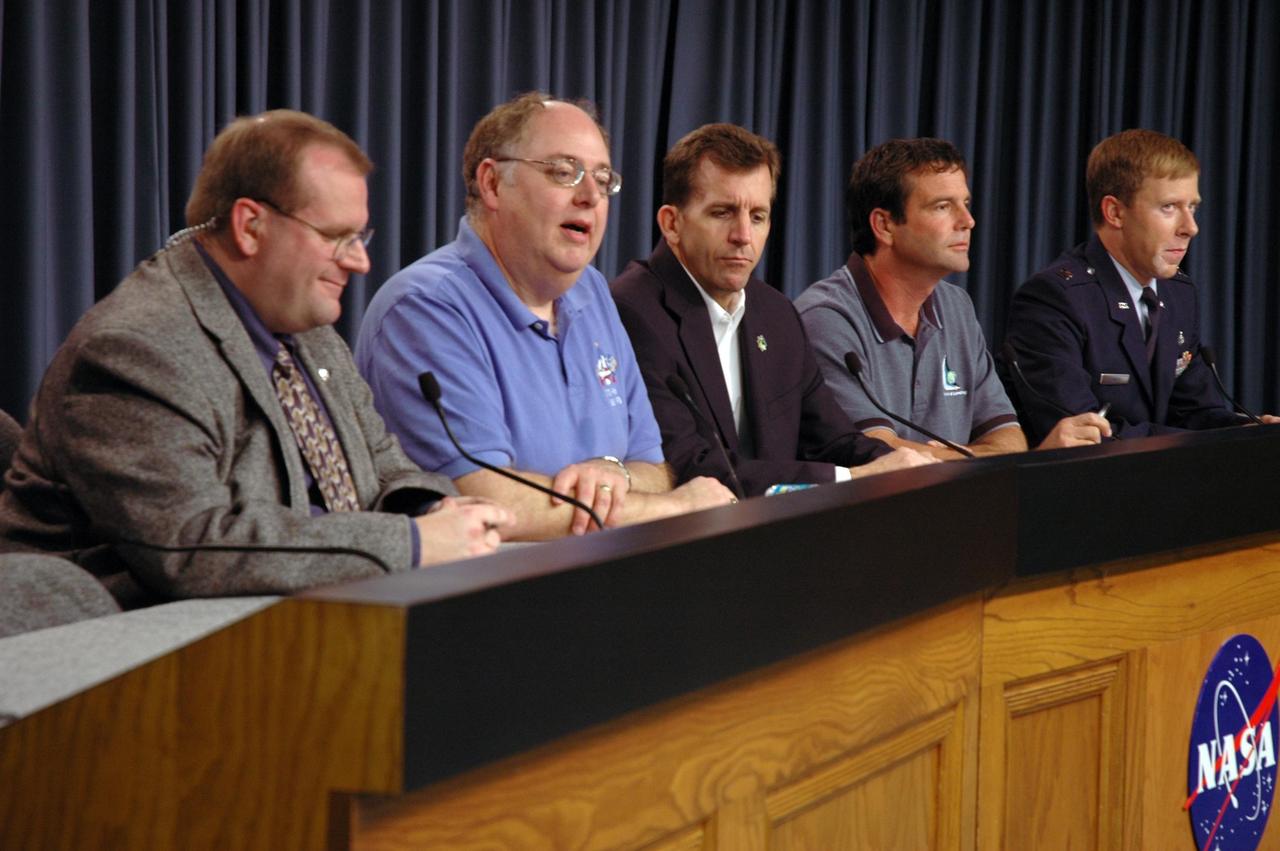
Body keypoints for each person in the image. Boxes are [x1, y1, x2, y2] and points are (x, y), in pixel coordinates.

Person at [0, 110, 513, 609]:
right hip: (139, 655)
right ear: (250, 226)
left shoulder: (308, 331)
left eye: (360, 237)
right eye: (337, 237)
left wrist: (429, 509)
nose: (361, 261)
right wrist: (413, 543)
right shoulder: (136, 347)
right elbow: (193, 544)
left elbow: (382, 465)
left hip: (303, 621)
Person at [356, 93, 733, 539]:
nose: (591, 196)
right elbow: (485, 500)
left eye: (602, 178)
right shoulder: (425, 310)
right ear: (493, 184)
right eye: (563, 172)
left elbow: (652, 465)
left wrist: (613, 473)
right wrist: (673, 509)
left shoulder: (592, 292)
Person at [609, 124, 933, 496]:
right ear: (672, 223)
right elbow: (688, 466)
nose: (743, 235)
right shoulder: (633, 312)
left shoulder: (774, 313)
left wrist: (898, 466)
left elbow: (831, 438)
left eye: (758, 216)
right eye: (722, 213)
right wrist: (854, 479)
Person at [796, 138, 1110, 459]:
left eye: (966, 203)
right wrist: (974, 458)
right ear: (885, 225)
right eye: (943, 206)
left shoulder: (956, 307)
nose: (968, 221)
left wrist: (960, 459)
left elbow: (1009, 438)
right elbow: (876, 453)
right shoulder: (827, 318)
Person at [1002, 129, 1275, 440]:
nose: (1191, 227)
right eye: (1169, 207)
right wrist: (1210, 444)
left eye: (1193, 207)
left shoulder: (1179, 294)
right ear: (1115, 212)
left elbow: (1194, 412)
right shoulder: (1055, 298)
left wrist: (1248, 433)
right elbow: (1083, 437)